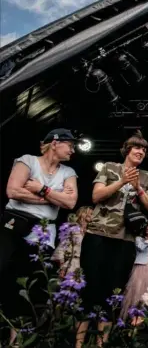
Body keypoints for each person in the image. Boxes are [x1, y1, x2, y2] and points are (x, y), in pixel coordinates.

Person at [79, 130, 148, 347]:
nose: (141, 151)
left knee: (114, 290)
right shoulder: (109, 168)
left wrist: (138, 187)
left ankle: (100, 343)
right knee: (91, 288)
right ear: (127, 149)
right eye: (137, 147)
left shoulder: (146, 177)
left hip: (126, 240)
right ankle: (79, 342)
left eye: (144, 149)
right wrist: (122, 181)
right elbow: (96, 196)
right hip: (98, 235)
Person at [1, 128, 78, 339]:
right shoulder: (27, 160)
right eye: (70, 146)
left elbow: (70, 202)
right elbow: (13, 191)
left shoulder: (68, 172)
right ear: (55, 143)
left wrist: (40, 188)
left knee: (33, 285)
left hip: (43, 232)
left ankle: (17, 339)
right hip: (14, 225)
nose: (73, 150)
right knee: (5, 275)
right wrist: (53, 197)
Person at [52, 206, 93, 276]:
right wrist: (62, 266)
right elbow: (62, 246)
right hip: (72, 263)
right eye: (91, 213)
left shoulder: (91, 232)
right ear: (82, 214)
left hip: (87, 264)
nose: (93, 215)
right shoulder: (73, 229)